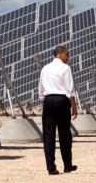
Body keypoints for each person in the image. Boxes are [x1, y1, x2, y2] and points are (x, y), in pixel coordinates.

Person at [38, 45, 78, 175]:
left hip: (48, 101)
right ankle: (67, 165)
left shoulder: (45, 68)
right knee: (64, 134)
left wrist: (46, 102)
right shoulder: (65, 68)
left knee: (48, 135)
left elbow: (41, 90)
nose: (68, 57)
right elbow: (70, 90)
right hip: (62, 101)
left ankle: (51, 167)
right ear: (59, 54)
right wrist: (74, 106)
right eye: (67, 54)